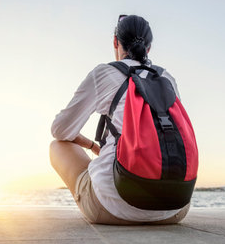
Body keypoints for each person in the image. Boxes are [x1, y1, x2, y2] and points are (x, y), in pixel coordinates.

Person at [49, 15, 190, 225]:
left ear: (115, 42)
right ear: (149, 48)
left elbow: (60, 130)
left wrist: (92, 146)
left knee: (57, 146)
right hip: (174, 210)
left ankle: (102, 189)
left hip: (111, 209)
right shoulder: (166, 78)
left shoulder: (104, 73)